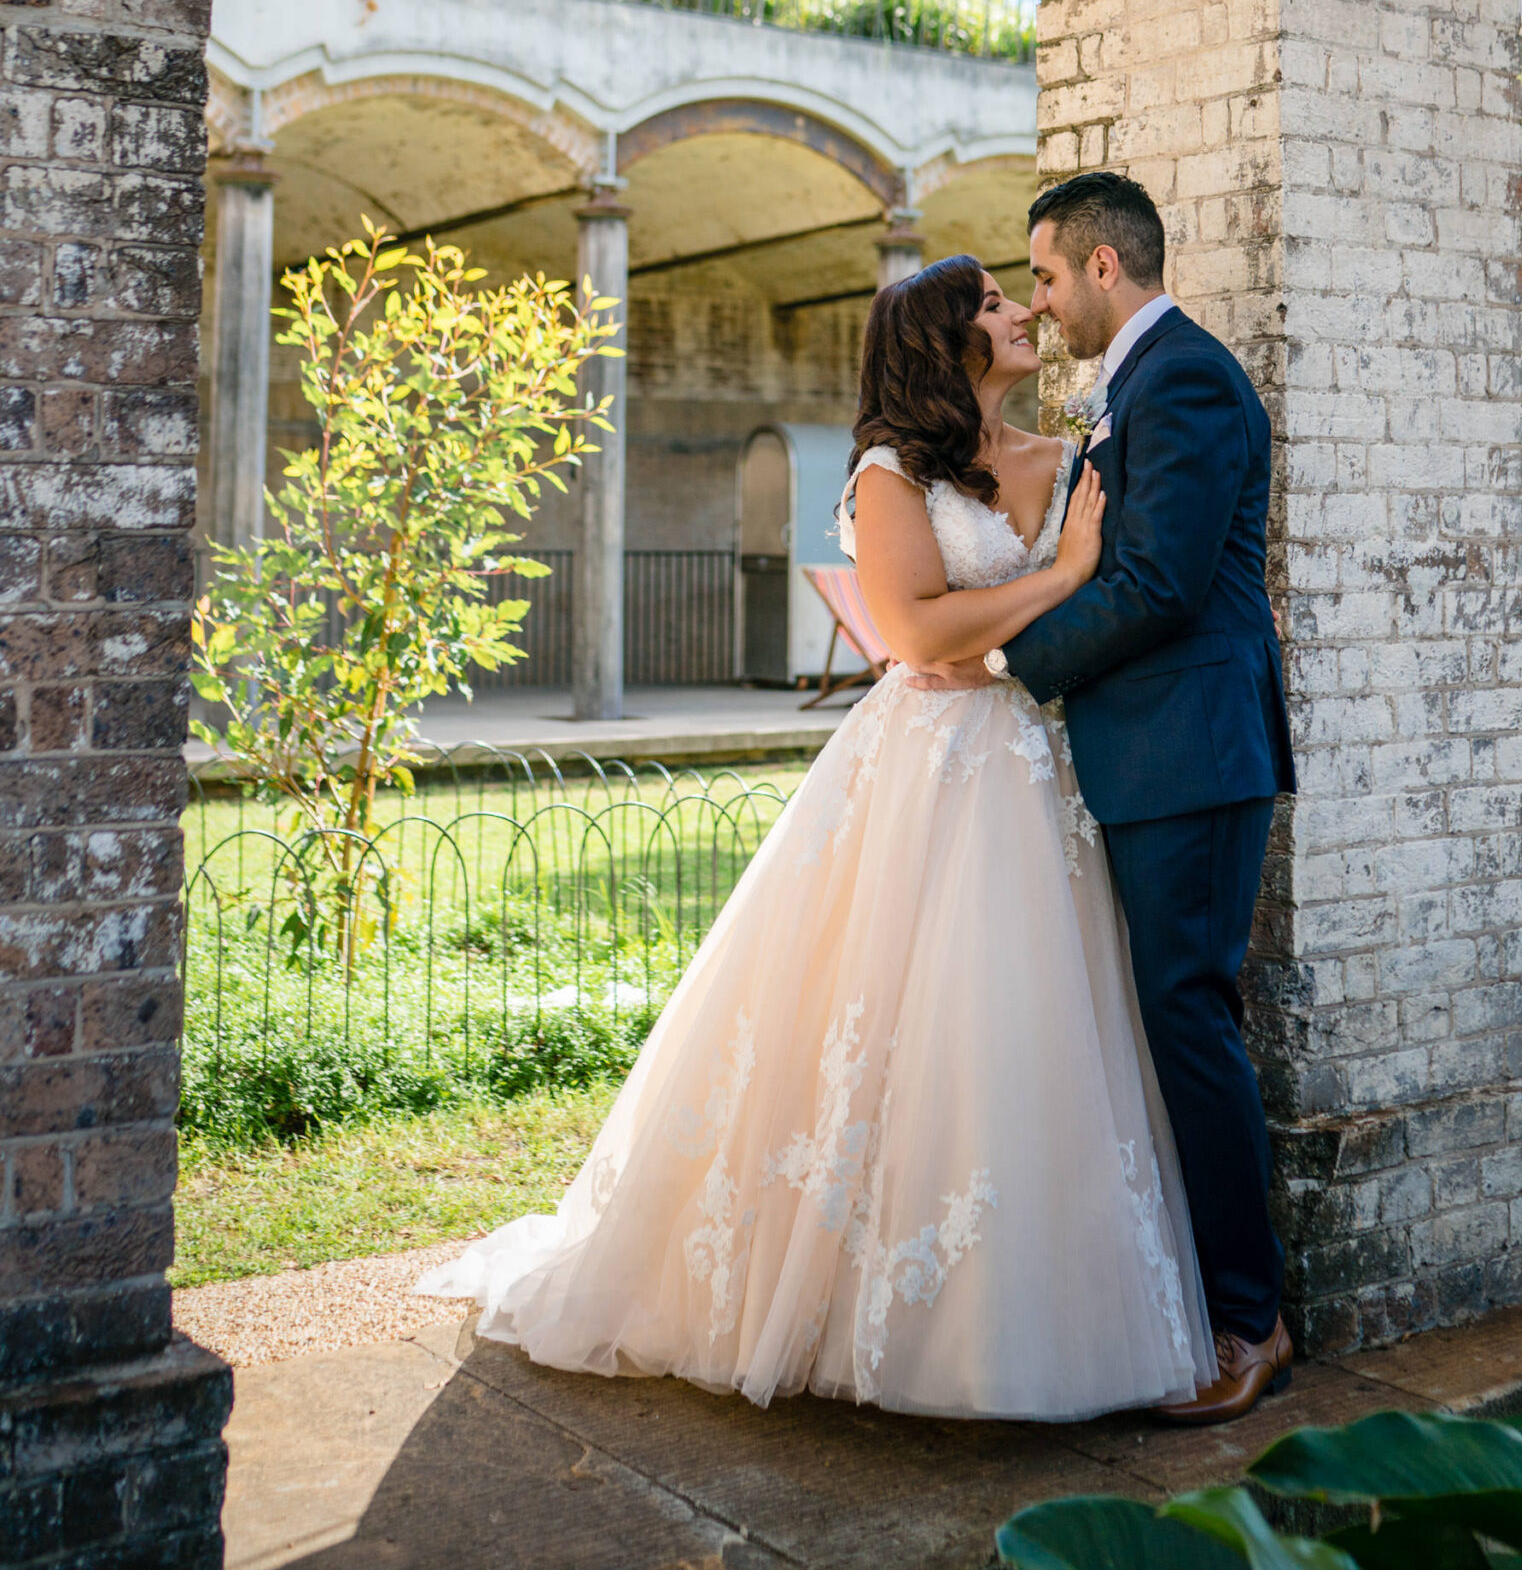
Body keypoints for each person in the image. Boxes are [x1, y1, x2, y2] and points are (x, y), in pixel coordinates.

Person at [420, 254, 1215, 1420]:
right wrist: (1069, 574)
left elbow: (1101, 603)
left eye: (1015, 293)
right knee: (877, 1022)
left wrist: (1086, 570)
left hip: (1035, 774)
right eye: (993, 305)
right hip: (924, 768)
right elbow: (918, 634)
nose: (1020, 314)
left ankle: (1032, 1321)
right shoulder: (891, 474)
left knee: (1024, 1031)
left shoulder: (1068, 458)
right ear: (944, 344)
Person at [989, 170, 1295, 1426]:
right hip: (1157, 755)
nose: (1046, 303)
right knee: (1169, 1019)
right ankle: (1216, 1298)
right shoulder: (1137, 385)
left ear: (1105, 268)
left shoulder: (1189, 381)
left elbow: (1165, 581)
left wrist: (1019, 663)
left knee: (1190, 1021)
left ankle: (1251, 1323)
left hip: (1196, 758)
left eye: (1050, 276)